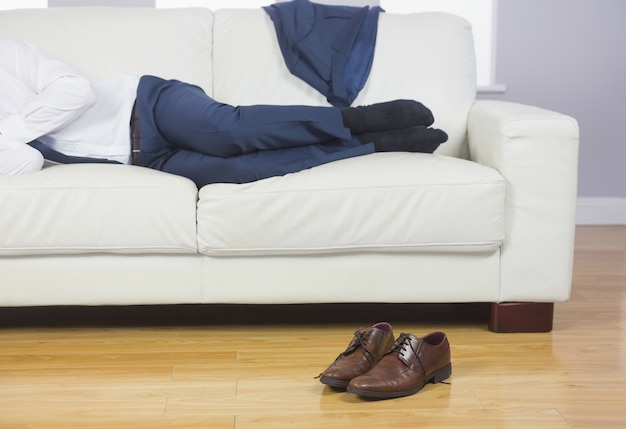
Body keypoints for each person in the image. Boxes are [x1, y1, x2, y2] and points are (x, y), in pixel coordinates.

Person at [0, 37, 447, 188]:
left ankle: (358, 119)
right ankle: (372, 145)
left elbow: (75, 92)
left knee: (224, 132)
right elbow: (28, 160)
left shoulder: (9, 52)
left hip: (148, 105)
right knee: (242, 171)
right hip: (145, 160)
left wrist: (14, 127)